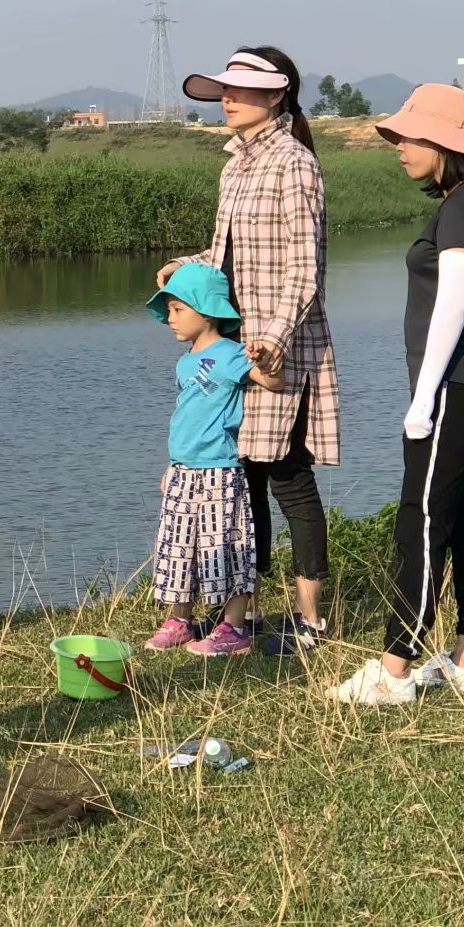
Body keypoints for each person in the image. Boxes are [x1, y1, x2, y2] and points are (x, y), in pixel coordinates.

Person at [329, 84, 464, 707]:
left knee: (423, 519)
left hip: (459, 383)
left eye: (411, 138)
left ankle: (395, 667)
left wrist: (423, 397)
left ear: (444, 143)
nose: (399, 148)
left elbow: (454, 302)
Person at [158, 48, 340, 655]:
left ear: (276, 96)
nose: (226, 100)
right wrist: (183, 268)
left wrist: (274, 339)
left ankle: (310, 619)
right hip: (238, 347)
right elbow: (222, 255)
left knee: (288, 477)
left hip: (281, 350)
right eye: (222, 92)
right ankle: (245, 617)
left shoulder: (295, 164)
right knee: (244, 483)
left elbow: (305, 272)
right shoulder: (234, 167)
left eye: (238, 91)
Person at [140, 263, 284, 656]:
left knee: (226, 546)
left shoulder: (231, 354)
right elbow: (186, 416)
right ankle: (180, 620)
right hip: (185, 470)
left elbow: (273, 381)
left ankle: (234, 629)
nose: (170, 319)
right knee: (177, 547)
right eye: (168, 311)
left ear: (206, 311)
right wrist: (173, 464)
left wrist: (266, 360)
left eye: (177, 310)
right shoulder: (185, 362)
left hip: (220, 470)